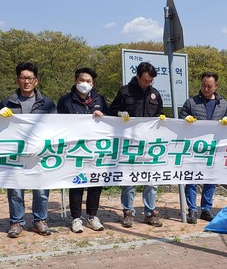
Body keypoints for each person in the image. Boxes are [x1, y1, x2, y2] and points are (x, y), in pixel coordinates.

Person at [0, 62, 56, 238]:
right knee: (15, 190)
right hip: (15, 153)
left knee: (41, 189)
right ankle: (16, 222)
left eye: (30, 78)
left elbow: (56, 127)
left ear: (36, 81)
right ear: (17, 80)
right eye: (23, 78)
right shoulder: (6, 102)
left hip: (39, 153)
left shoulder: (47, 104)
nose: (26, 81)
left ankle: (40, 220)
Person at [109, 61, 164, 228]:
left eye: (150, 81)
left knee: (152, 180)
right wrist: (120, 113)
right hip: (129, 144)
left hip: (150, 145)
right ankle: (128, 212)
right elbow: (111, 111)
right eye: (145, 80)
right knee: (129, 180)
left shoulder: (155, 94)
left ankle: (149, 212)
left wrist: (162, 118)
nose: (148, 83)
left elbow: (160, 113)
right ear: (138, 76)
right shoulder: (125, 92)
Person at [57, 67, 109, 233]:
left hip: (95, 148)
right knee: (76, 183)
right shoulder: (65, 101)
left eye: (88, 81)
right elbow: (57, 124)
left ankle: (92, 216)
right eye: (82, 80)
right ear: (75, 81)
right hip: (75, 149)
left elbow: (109, 122)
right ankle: (76, 218)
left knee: (95, 182)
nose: (84, 84)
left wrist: (103, 116)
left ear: (93, 84)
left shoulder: (99, 99)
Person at [178, 72, 227, 224]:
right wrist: (186, 120)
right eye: (203, 86)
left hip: (214, 148)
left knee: (211, 179)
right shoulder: (191, 102)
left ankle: (206, 209)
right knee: (192, 179)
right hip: (194, 148)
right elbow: (180, 120)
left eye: (209, 86)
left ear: (216, 86)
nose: (206, 89)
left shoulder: (223, 104)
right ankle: (192, 210)